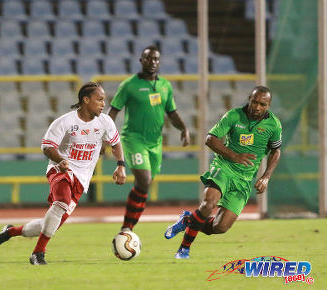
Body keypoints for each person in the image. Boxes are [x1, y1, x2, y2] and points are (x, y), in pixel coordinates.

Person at [0, 82, 127, 265]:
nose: (103, 104)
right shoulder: (65, 122)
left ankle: (10, 232)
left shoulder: (105, 122)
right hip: (60, 170)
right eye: (99, 99)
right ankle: (38, 253)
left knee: (51, 223)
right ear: (86, 100)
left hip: (82, 179)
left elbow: (115, 143)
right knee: (61, 202)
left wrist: (121, 165)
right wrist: (60, 160)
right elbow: (47, 146)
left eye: (104, 100)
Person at [164, 86, 282, 259]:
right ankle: (184, 248)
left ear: (268, 106)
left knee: (220, 227)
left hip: (244, 179)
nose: (257, 107)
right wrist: (234, 155)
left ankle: (188, 220)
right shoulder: (233, 115)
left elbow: (276, 151)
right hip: (224, 167)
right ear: (249, 98)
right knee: (208, 204)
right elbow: (210, 139)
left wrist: (266, 177)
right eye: (254, 102)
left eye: (262, 104)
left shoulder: (274, 125)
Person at [108, 45, 190, 232]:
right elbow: (113, 111)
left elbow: (172, 112)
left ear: (159, 62)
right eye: (148, 58)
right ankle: (127, 227)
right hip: (133, 139)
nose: (152, 62)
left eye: (156, 59)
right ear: (141, 61)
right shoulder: (129, 85)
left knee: (144, 185)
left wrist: (184, 128)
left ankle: (129, 228)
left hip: (155, 143)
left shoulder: (165, 85)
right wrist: (106, 136)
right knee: (144, 180)